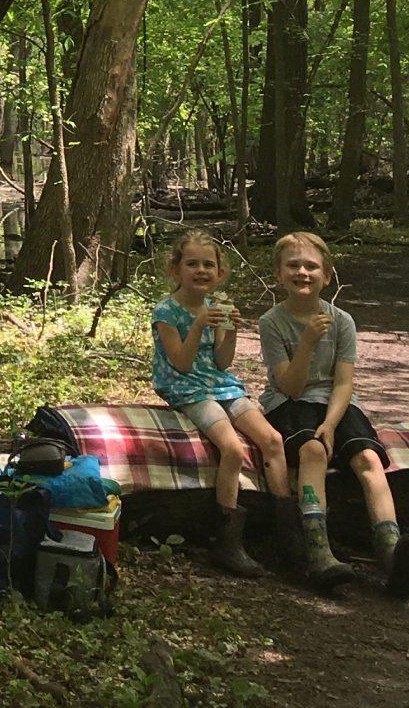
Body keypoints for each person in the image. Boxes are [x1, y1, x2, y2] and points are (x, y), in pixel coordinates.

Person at [257, 230, 409, 598]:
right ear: (278, 275)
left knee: (369, 458)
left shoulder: (343, 321)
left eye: (311, 266)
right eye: (293, 265)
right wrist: (306, 343)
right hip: (288, 405)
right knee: (312, 451)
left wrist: (331, 424)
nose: (302, 272)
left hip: (334, 404)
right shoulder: (271, 322)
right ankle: (319, 551)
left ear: (327, 275)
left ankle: (390, 550)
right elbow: (289, 386)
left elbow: (343, 383)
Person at [152, 228, 290, 577]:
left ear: (220, 272)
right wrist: (198, 324)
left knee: (273, 440)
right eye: (192, 263)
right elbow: (181, 363)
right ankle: (227, 541)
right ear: (176, 270)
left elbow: (223, 362)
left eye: (208, 265)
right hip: (187, 388)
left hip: (219, 383)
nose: (201, 271)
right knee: (231, 447)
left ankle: (289, 534)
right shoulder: (166, 312)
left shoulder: (217, 306)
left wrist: (231, 332)